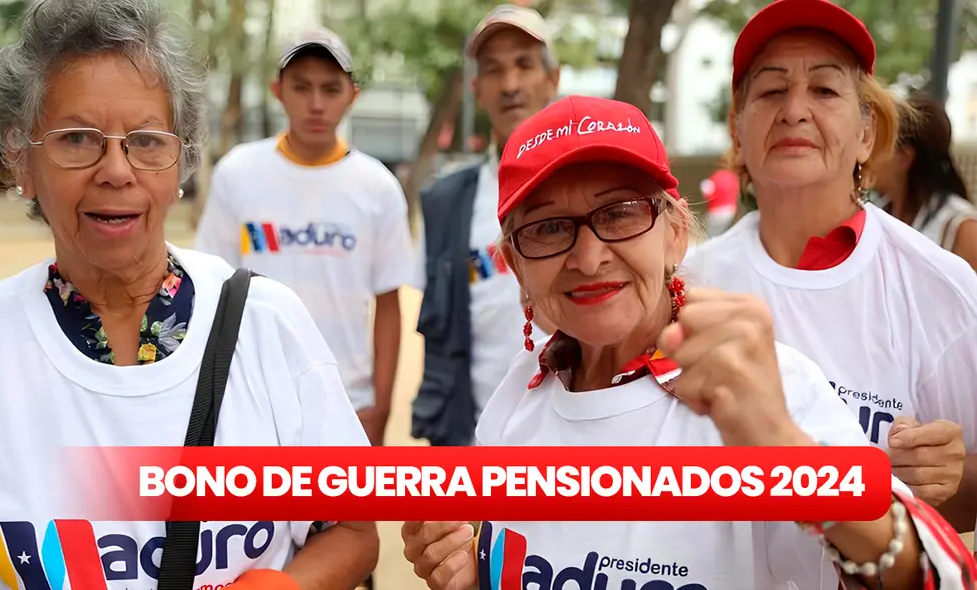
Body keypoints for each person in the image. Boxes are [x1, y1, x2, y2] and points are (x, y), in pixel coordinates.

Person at [400, 94, 977, 590]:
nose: (588, 255)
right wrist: (473, 570)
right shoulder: (516, 401)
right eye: (548, 228)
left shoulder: (764, 392)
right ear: (516, 268)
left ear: (676, 234)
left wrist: (780, 446)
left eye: (620, 213)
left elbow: (936, 576)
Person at [0, 1, 377, 588]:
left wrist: (289, 583)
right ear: (21, 159)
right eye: (78, 138)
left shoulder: (266, 324)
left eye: (145, 140)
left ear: (181, 159)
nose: (116, 170)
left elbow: (352, 529)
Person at [684, 0, 977, 532]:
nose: (795, 110)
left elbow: (966, 494)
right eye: (772, 90)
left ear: (867, 133)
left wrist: (952, 477)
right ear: (737, 132)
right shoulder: (687, 286)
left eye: (824, 89)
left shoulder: (943, 287)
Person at [194, 26, 413, 448]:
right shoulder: (238, 173)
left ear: (353, 94)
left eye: (330, 89)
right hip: (253, 394)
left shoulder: (378, 187)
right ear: (278, 90)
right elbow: (211, 290)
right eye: (302, 87)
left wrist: (381, 409)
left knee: (346, 518)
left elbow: (389, 304)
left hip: (347, 401)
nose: (316, 104)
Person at [411, 3, 559, 447]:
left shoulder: (594, 192)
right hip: (474, 447)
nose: (511, 84)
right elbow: (437, 342)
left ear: (552, 78)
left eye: (524, 65)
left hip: (576, 444)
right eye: (494, 70)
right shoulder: (446, 204)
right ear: (477, 88)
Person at [871, 93, 977, 270]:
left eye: (878, 146)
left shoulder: (962, 229)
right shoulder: (877, 214)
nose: (865, 155)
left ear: (904, 158)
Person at [700, 168, 740, 237]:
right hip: (731, 211)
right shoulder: (732, 177)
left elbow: (707, 195)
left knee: (713, 237)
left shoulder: (714, 178)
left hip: (716, 213)